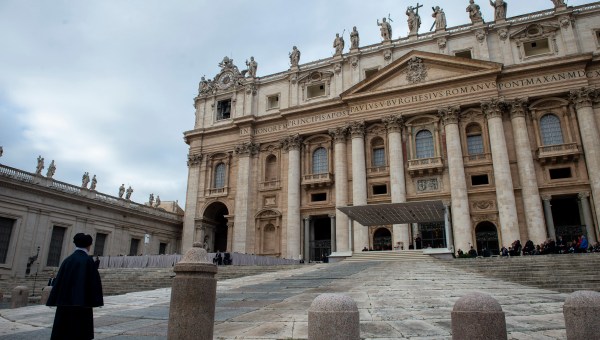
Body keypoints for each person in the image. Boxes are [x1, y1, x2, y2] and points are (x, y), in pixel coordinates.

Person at [46, 233, 103, 340]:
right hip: (81, 305)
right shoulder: (87, 261)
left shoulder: (67, 260)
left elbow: (58, 282)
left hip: (64, 304)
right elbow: (94, 282)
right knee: (79, 332)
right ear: (89, 245)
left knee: (63, 331)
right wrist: (95, 299)